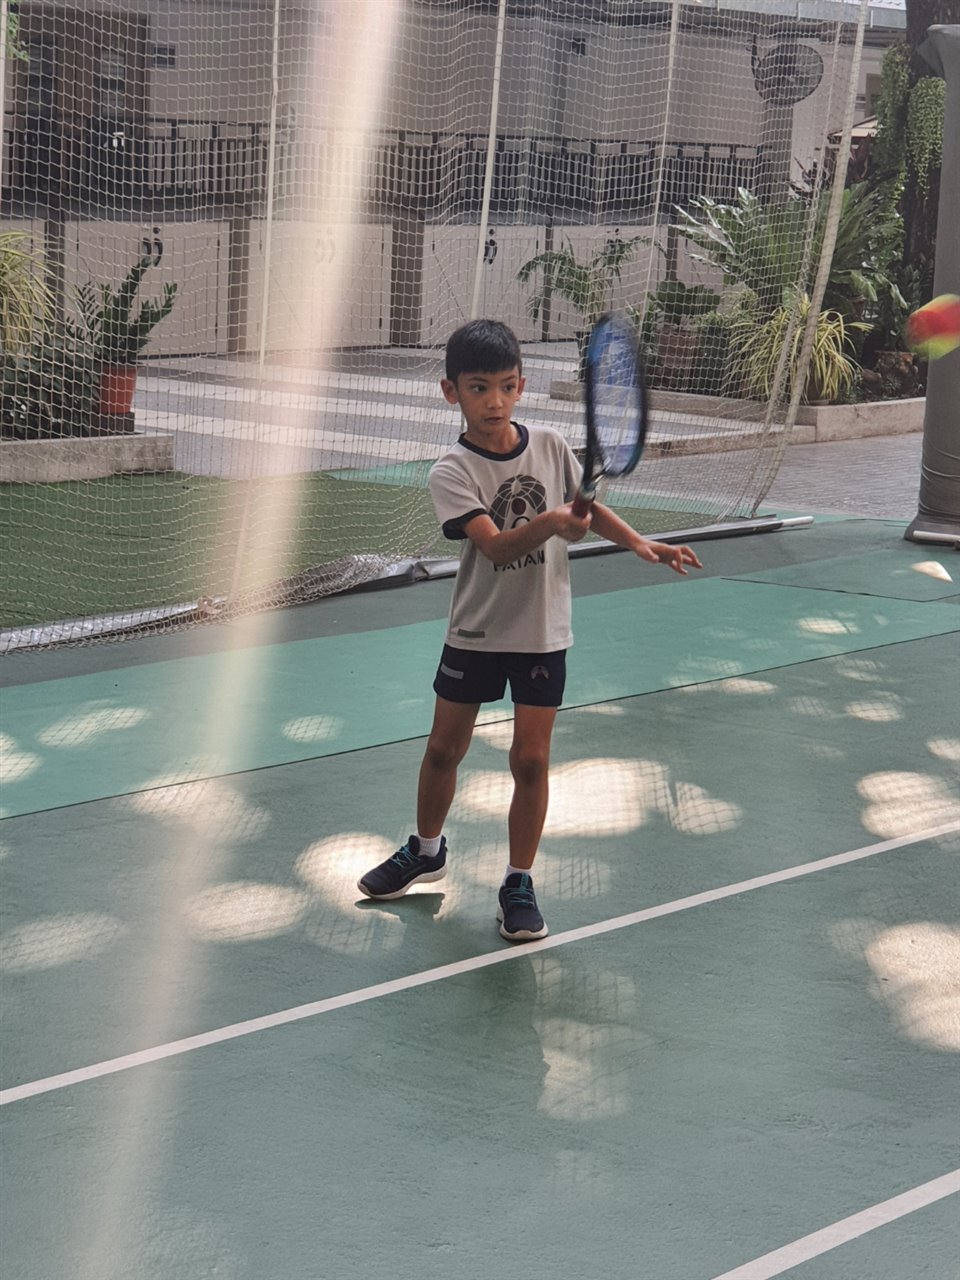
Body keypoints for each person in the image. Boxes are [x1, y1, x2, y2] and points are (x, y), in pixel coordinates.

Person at [358, 319, 702, 942]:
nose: (495, 401)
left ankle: (518, 881)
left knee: (532, 761)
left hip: (542, 632)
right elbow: (494, 547)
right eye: (479, 388)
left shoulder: (548, 444)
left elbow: (588, 509)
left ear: (521, 385)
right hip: (476, 632)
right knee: (443, 750)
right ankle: (427, 851)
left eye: (507, 386)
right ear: (451, 392)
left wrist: (639, 542)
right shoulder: (451, 471)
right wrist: (551, 523)